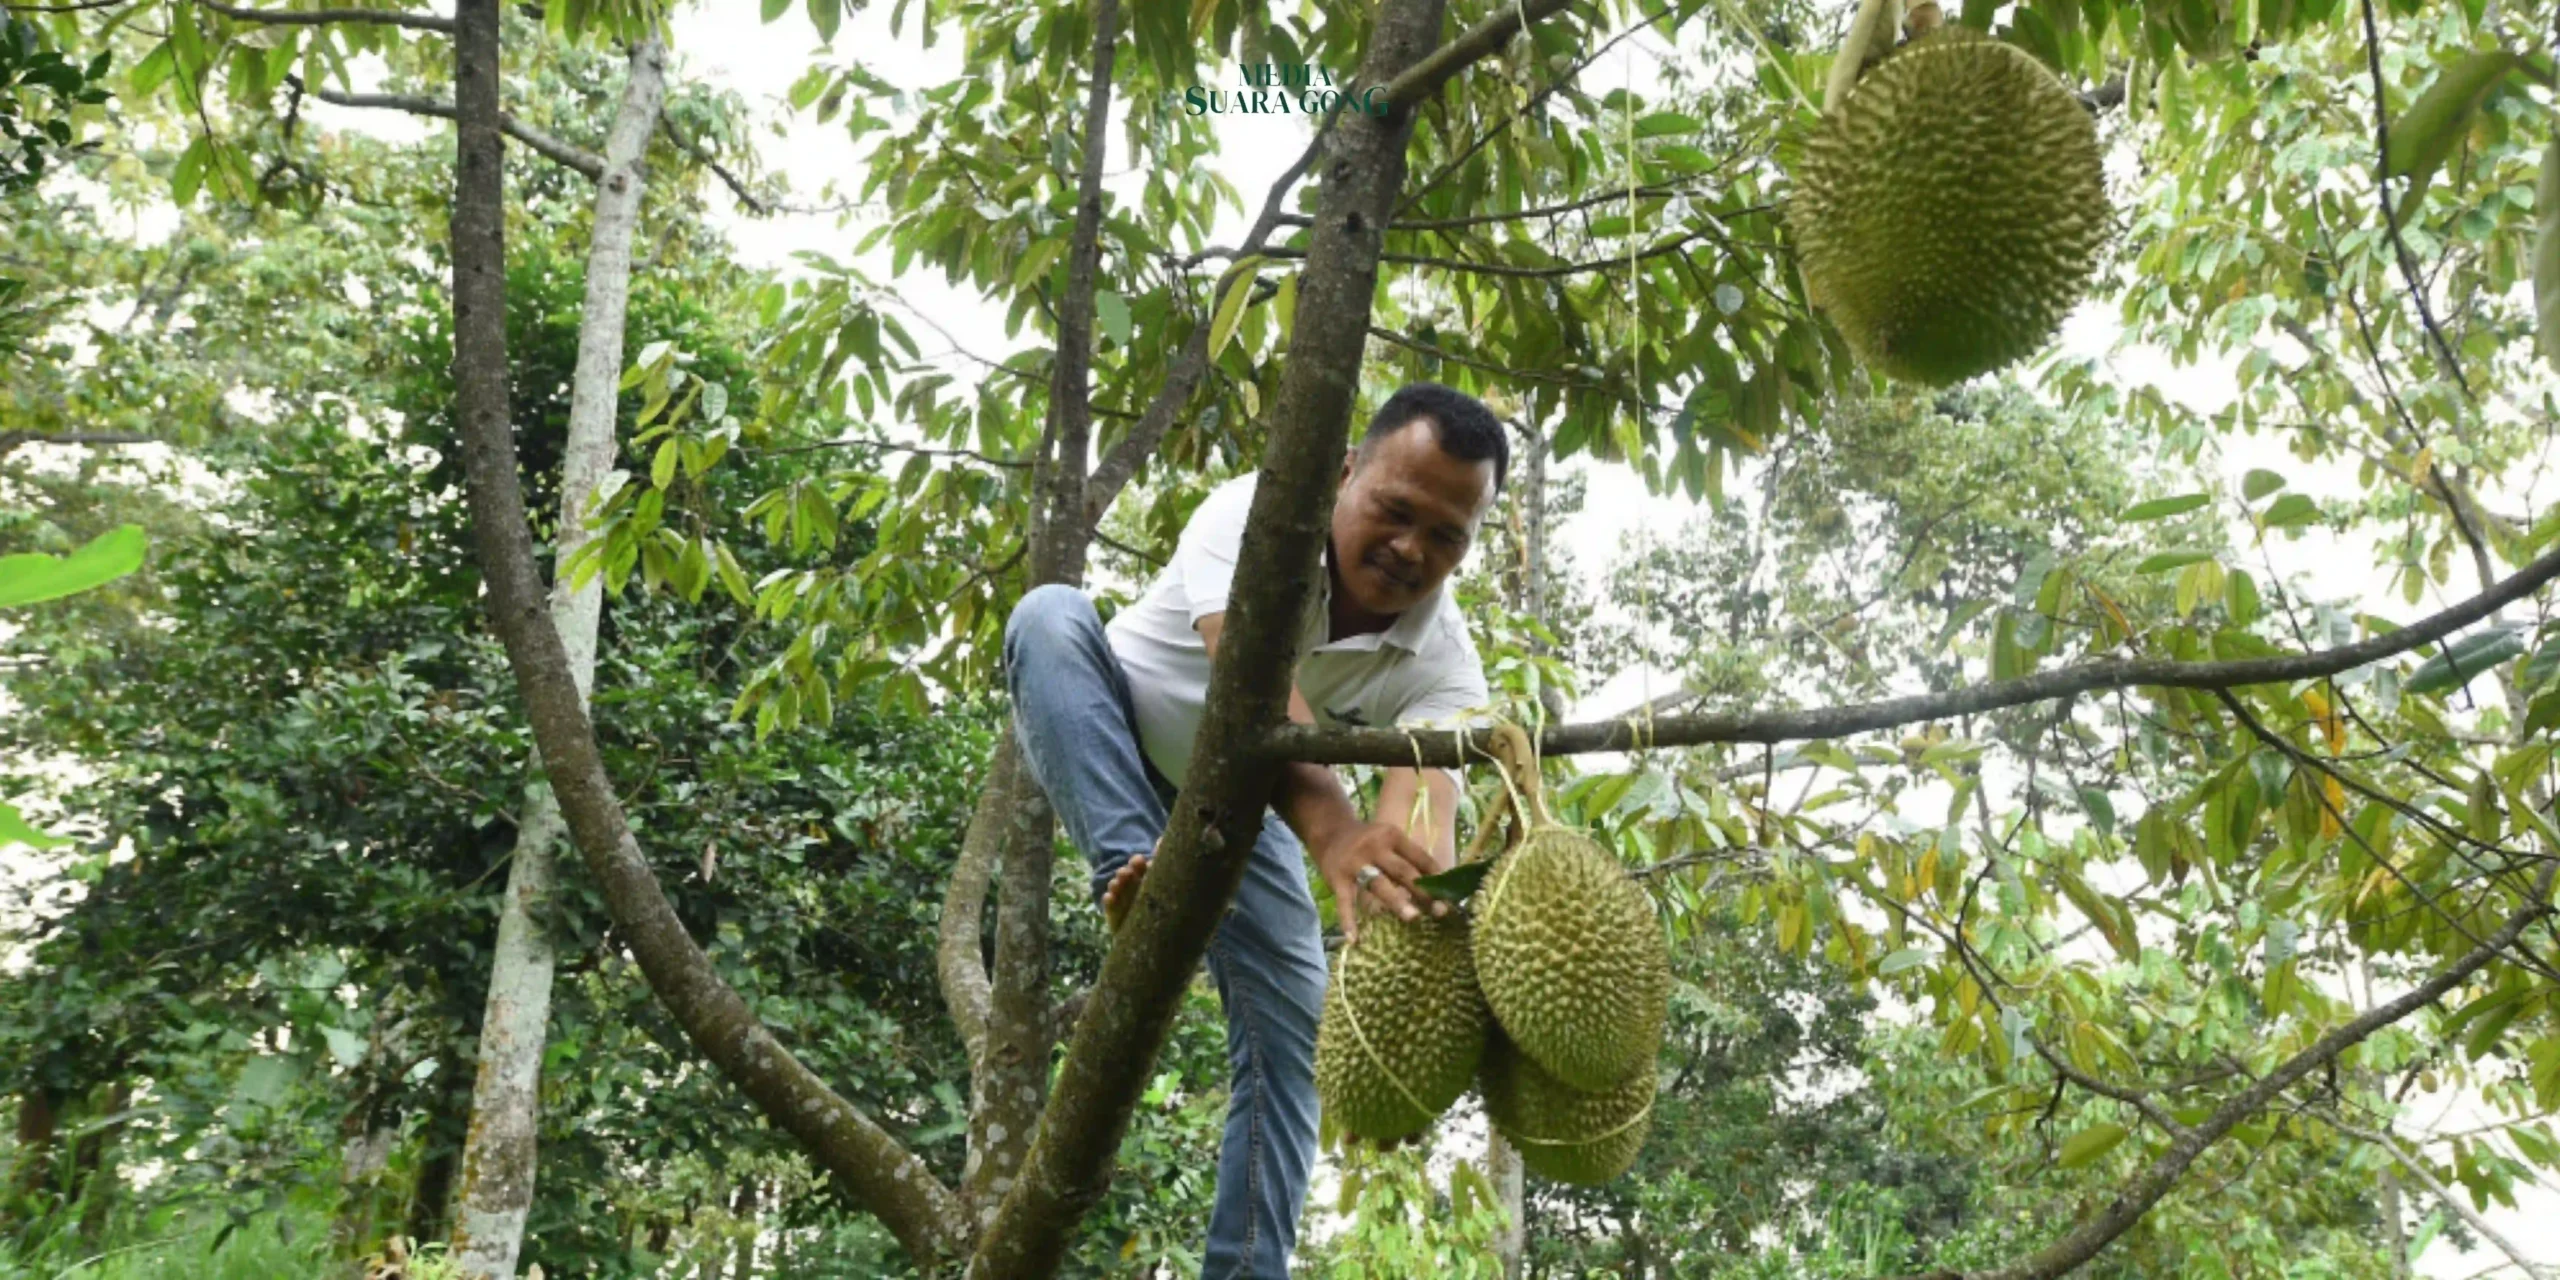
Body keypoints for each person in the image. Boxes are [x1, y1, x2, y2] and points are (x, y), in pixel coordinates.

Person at [1001, 381, 1508, 1278]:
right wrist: (1335, 832)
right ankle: (1136, 874)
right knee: (1048, 616)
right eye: (1396, 511)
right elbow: (1251, 685)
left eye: (1445, 537)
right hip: (1115, 732)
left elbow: (1407, 836)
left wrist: (1396, 962)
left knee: (1292, 1039)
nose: (1408, 549)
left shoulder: (1445, 666)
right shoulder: (1253, 515)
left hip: (1247, 811)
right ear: (1347, 472)